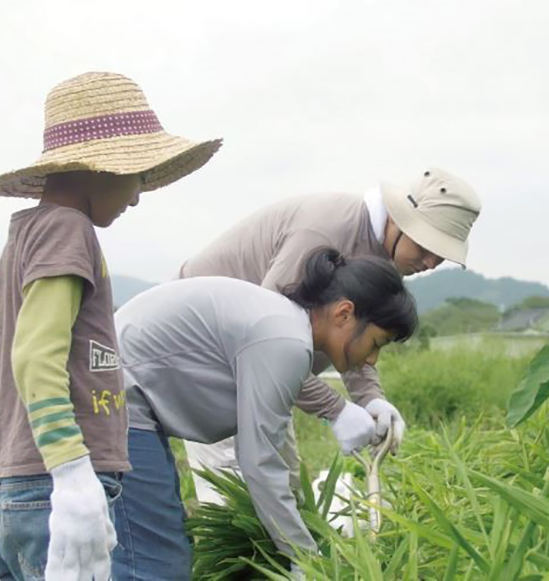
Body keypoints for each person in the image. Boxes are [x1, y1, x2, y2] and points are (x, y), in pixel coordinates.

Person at [0, 71, 221, 581]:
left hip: (20, 483)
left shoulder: (23, 236)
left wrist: (5, 454)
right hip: (56, 489)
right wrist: (69, 470)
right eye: (137, 176)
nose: (137, 195)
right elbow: (33, 354)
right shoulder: (68, 230)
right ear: (101, 169)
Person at [110, 248, 417, 580]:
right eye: (376, 343)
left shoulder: (283, 327)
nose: (371, 360)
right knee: (155, 562)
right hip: (116, 398)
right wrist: (304, 556)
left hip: (124, 400)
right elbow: (259, 461)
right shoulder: (285, 341)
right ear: (344, 314)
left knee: (154, 547)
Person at [179, 167, 481, 501]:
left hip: (256, 369)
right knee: (238, 494)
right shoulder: (324, 232)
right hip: (210, 356)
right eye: (426, 246)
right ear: (398, 218)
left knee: (286, 488)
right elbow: (265, 347)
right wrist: (335, 410)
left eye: (441, 254)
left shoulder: (381, 254)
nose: (431, 261)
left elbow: (355, 337)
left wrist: (370, 398)